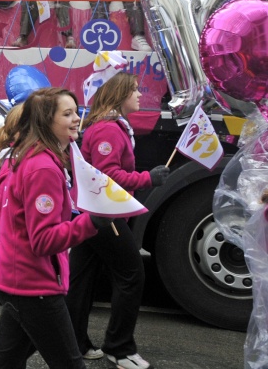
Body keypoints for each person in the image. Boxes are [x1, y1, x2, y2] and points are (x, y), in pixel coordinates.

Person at [0, 87, 101, 369]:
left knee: (4, 359)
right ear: (45, 122)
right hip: (33, 285)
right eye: (68, 113)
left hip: (18, 278)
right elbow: (43, 241)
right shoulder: (43, 168)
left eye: (76, 111)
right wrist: (93, 221)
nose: (78, 118)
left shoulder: (22, 157)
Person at [66, 73, 169, 369]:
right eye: (134, 91)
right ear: (120, 96)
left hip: (95, 212)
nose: (139, 95)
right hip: (104, 213)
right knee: (131, 276)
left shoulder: (112, 127)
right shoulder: (109, 131)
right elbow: (107, 176)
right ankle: (119, 349)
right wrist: (149, 178)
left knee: (80, 280)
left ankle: (75, 343)